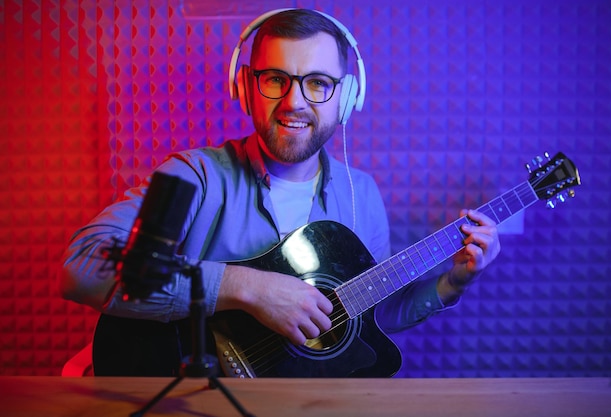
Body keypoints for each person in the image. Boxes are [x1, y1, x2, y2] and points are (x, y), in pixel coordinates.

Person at [60, 8, 500, 377]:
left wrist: (450, 282)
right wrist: (246, 288)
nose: (293, 102)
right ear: (247, 86)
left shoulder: (360, 194)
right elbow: (81, 267)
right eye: (276, 79)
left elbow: (366, 316)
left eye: (318, 83)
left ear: (345, 97)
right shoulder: (197, 176)